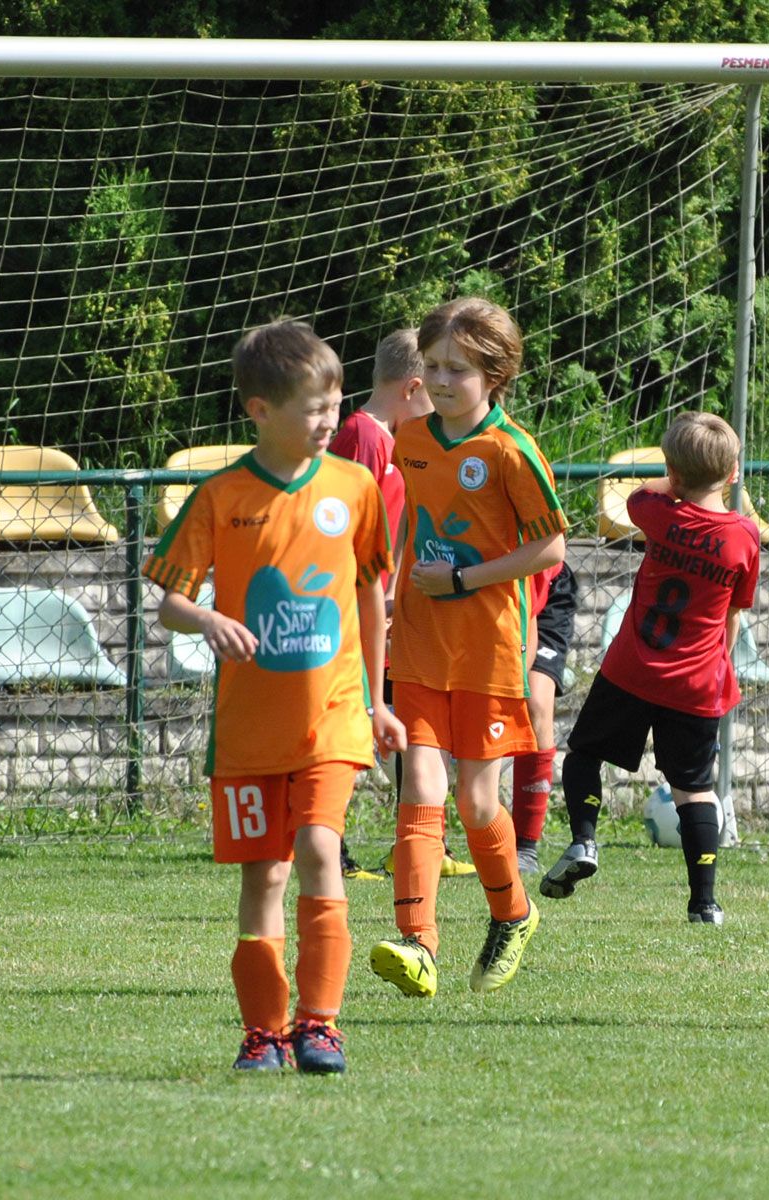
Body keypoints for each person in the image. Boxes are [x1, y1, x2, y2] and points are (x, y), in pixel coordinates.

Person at [143, 318, 405, 1073]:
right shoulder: (221, 496)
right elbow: (168, 601)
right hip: (250, 731)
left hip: (333, 717)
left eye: (334, 405)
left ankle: (320, 1025)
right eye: (312, 409)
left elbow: (370, 596)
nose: (328, 421)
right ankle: (263, 1032)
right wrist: (208, 619)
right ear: (259, 410)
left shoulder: (354, 487)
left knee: (321, 848)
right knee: (266, 874)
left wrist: (377, 701)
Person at [369, 296, 568, 998]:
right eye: (433, 366)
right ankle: (418, 943)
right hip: (421, 641)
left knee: (477, 800)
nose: (441, 380)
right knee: (421, 785)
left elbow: (551, 548)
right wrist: (393, 587)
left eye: (458, 368)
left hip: (488, 647)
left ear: (496, 375)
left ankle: (513, 914)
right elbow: (412, 520)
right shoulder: (411, 437)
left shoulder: (511, 451)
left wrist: (462, 578)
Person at [540, 411, 760, 925]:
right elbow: (733, 614)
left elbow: (641, 493)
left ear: (673, 473)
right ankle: (704, 902)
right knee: (695, 788)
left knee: (584, 755)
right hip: (697, 683)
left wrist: (674, 481)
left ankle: (584, 840)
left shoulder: (659, 514)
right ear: (733, 473)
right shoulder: (743, 538)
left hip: (633, 669)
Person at [328, 327, 477, 883]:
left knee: (402, 720)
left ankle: (420, 843)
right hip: (351, 609)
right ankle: (332, 851)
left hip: (384, 606)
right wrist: (368, 598)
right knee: (353, 724)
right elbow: (345, 530)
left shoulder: (396, 441)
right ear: (414, 387)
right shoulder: (363, 437)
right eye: (433, 389)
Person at [512, 562, 579, 876]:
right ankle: (435, 839)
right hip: (485, 582)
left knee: (536, 702)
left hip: (544, 586)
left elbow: (551, 550)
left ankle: (525, 846)